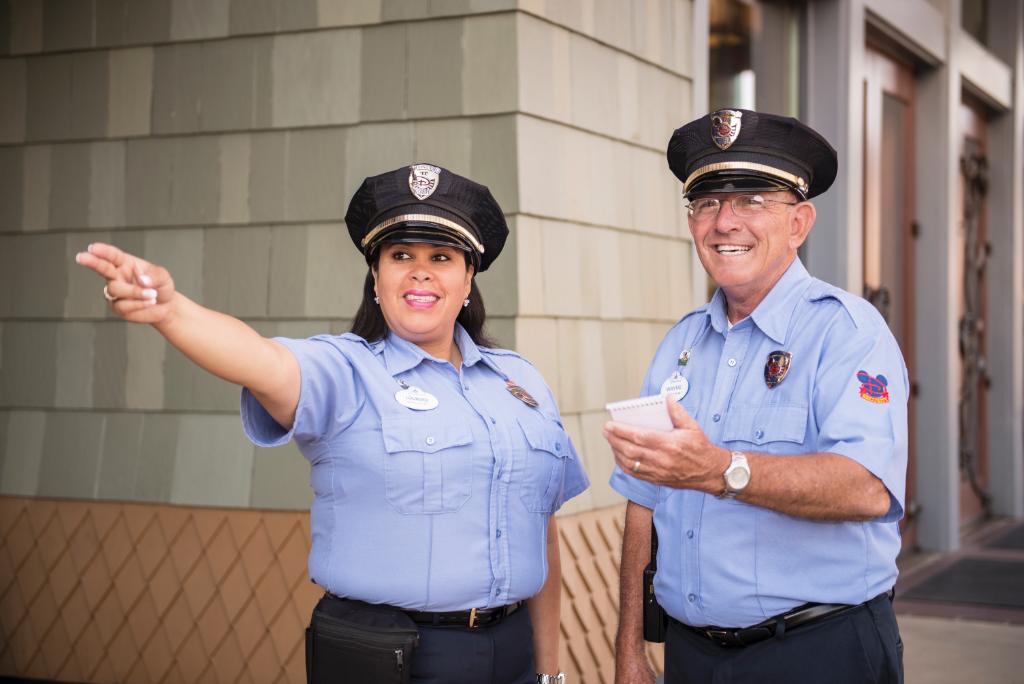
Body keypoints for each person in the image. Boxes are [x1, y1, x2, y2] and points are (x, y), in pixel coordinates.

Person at [76, 163, 587, 684]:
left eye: (442, 257)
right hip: (394, 658)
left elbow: (538, 531)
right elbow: (260, 360)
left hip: (514, 651)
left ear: (468, 277)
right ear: (376, 275)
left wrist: (549, 673)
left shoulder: (520, 382)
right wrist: (171, 311)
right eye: (400, 255)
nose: (420, 272)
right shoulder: (345, 371)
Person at [605, 110, 907, 684]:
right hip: (693, 657)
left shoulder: (848, 332)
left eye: (752, 201)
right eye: (707, 203)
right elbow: (642, 502)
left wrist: (722, 470)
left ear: (799, 223)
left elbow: (868, 488)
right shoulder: (681, 343)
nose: (724, 222)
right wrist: (629, 648)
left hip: (817, 652)